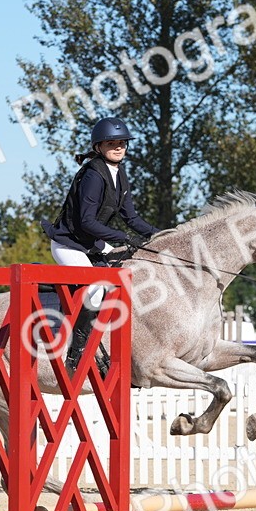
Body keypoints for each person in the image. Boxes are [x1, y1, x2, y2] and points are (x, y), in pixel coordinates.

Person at [42, 117, 161, 377]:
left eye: (122, 143)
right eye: (112, 143)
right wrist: (120, 237)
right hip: (69, 244)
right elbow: (86, 221)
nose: (119, 147)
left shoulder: (120, 173)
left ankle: (108, 351)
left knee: (123, 287)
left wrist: (161, 236)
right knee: (97, 292)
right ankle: (75, 356)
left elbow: (132, 218)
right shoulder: (93, 174)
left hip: (92, 244)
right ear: (98, 146)